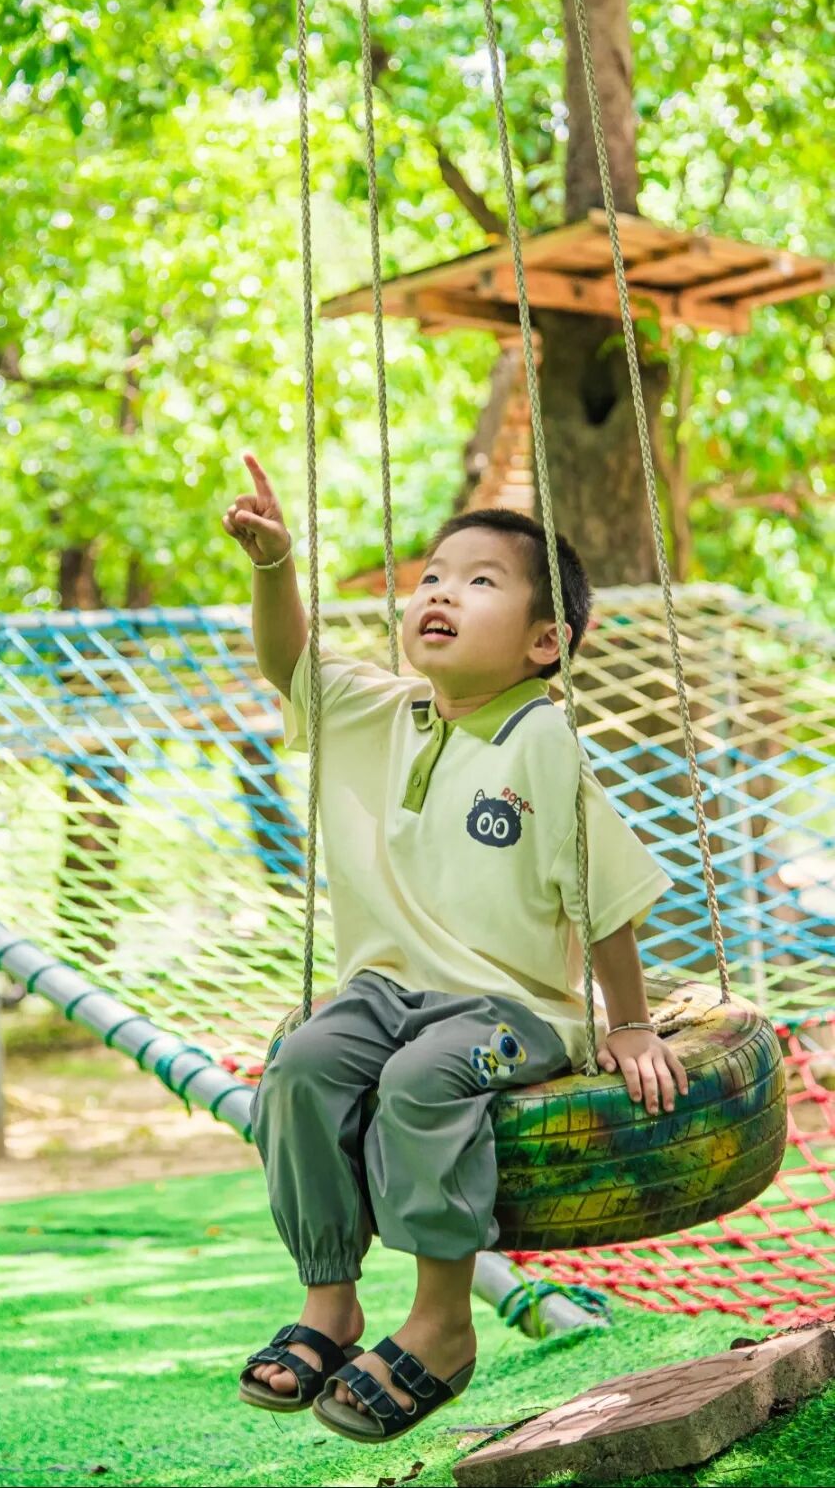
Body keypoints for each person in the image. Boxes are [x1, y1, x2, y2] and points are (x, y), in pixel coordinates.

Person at [222, 452, 687, 1445]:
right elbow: (288, 661)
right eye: (433, 575)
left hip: (510, 1012)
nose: (440, 591)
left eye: (480, 582)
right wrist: (274, 566)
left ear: (544, 641)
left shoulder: (542, 741)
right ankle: (329, 1301)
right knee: (299, 1065)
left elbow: (603, 898)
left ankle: (441, 1323)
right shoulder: (380, 712)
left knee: (423, 1079)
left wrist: (631, 1024)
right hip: (383, 995)